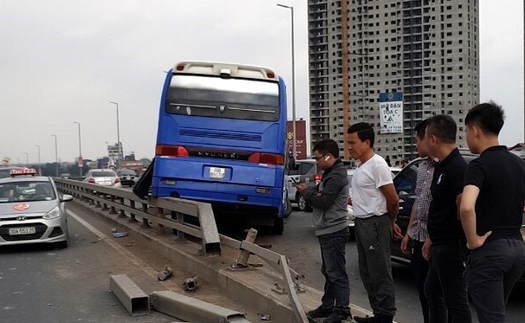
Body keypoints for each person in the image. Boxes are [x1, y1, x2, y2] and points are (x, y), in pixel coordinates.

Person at [459, 102, 525, 323]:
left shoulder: (478, 166)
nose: (466, 137)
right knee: (496, 313)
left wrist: (472, 241)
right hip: (517, 250)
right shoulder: (519, 164)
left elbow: (466, 206)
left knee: (492, 318)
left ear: (475, 130)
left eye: (466, 131)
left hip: (490, 251)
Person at [346, 122, 402, 323]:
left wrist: (390, 221)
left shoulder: (378, 165)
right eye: (347, 143)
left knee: (379, 271)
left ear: (366, 142)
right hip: (362, 223)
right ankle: (378, 313)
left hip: (376, 223)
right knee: (367, 271)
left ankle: (385, 316)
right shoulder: (361, 166)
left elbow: (393, 199)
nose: (349, 147)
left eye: (353, 143)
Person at [296, 139, 352, 323]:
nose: (317, 162)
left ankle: (342, 309)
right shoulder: (330, 173)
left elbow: (324, 201)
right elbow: (320, 195)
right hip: (327, 228)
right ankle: (328, 306)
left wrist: (306, 193)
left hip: (334, 229)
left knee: (336, 272)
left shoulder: (336, 175)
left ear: (328, 156)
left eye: (318, 158)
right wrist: (314, 193)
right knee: (329, 271)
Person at [422, 115, 471, 323]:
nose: (423, 143)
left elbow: (463, 206)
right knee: (432, 290)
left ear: (433, 139)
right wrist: (432, 238)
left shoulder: (457, 167)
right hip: (440, 243)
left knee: (456, 301)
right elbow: (442, 207)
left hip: (452, 245)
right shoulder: (442, 166)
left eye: (424, 138)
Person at [400, 119, 432, 323]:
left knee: (437, 293)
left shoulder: (447, 168)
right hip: (417, 236)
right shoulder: (421, 168)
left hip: (435, 241)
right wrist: (408, 233)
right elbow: (418, 202)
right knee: (421, 288)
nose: (415, 145)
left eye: (417, 140)